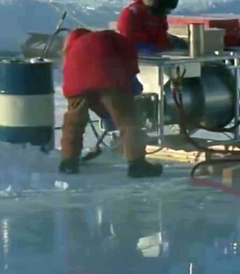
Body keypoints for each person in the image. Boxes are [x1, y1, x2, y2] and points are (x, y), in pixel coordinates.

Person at [59, 28, 163, 178]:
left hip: (76, 85)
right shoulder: (111, 38)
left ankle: (69, 162)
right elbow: (129, 60)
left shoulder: (73, 47)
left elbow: (70, 72)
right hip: (108, 80)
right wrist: (131, 84)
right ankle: (137, 164)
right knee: (128, 121)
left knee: (74, 122)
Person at [117, 0, 186, 53]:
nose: (168, 12)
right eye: (166, 9)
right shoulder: (132, 14)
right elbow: (129, 41)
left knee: (182, 45)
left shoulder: (157, 14)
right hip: (140, 50)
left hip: (155, 46)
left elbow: (161, 33)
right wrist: (161, 48)